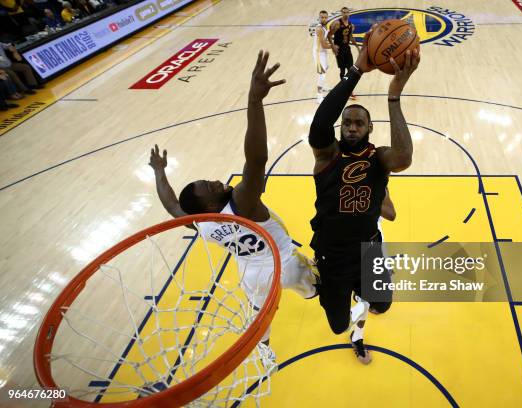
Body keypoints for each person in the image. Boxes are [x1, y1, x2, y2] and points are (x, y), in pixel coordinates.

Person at [149, 51, 318, 349]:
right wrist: (255, 101)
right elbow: (257, 158)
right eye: (209, 187)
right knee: (318, 288)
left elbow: (173, 206)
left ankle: (264, 350)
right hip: (285, 264)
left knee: (259, 316)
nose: (215, 181)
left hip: (251, 274)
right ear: (210, 205)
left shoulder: (201, 223)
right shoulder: (242, 202)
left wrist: (160, 172)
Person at [308, 28, 420, 364]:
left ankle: (355, 290)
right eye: (348, 123)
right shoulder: (327, 156)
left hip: (368, 248)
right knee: (337, 324)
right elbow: (318, 126)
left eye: (359, 123)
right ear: (341, 128)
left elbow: (404, 158)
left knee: (383, 303)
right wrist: (355, 70)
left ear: (369, 129)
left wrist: (394, 96)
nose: (353, 127)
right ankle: (323, 283)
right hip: (333, 253)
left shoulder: (379, 157)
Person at [327, 6, 359, 100]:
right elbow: (329, 35)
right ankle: (345, 89)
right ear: (341, 13)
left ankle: (348, 89)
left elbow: (351, 37)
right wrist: (333, 46)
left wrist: (357, 47)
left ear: (349, 13)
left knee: (351, 69)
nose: (345, 14)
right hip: (339, 50)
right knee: (342, 70)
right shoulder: (337, 23)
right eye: (344, 12)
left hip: (347, 49)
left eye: (347, 12)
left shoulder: (351, 25)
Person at [312, 10, 331, 104]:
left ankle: (323, 87)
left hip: (323, 52)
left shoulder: (325, 26)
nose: (324, 19)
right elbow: (324, 45)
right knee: (321, 75)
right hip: (318, 54)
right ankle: (319, 97)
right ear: (319, 18)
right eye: (322, 17)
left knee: (326, 68)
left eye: (325, 17)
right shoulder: (319, 29)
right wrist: (336, 46)